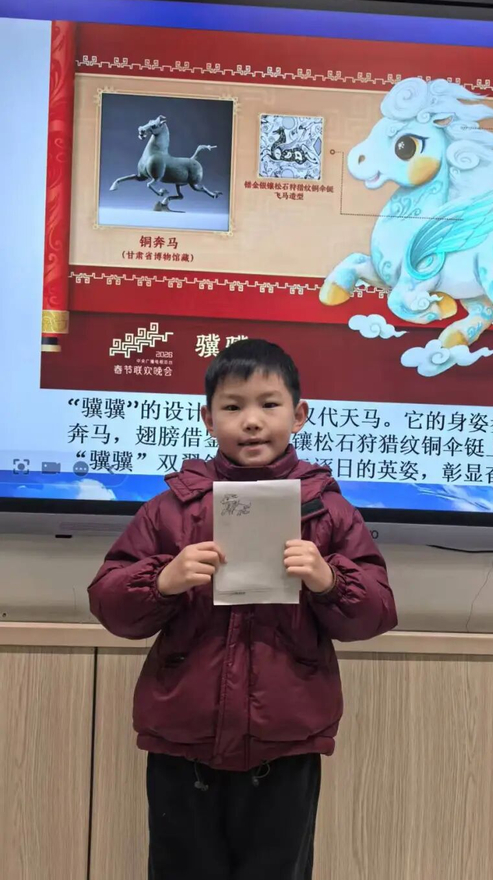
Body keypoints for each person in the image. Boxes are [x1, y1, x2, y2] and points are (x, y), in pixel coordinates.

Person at [88, 339, 397, 880]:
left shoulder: (328, 512)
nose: (252, 421)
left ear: (299, 415)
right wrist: (162, 580)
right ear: (208, 419)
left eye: (269, 404)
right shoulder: (171, 509)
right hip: (183, 744)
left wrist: (328, 580)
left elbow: (377, 611)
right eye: (233, 407)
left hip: (286, 744)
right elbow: (109, 603)